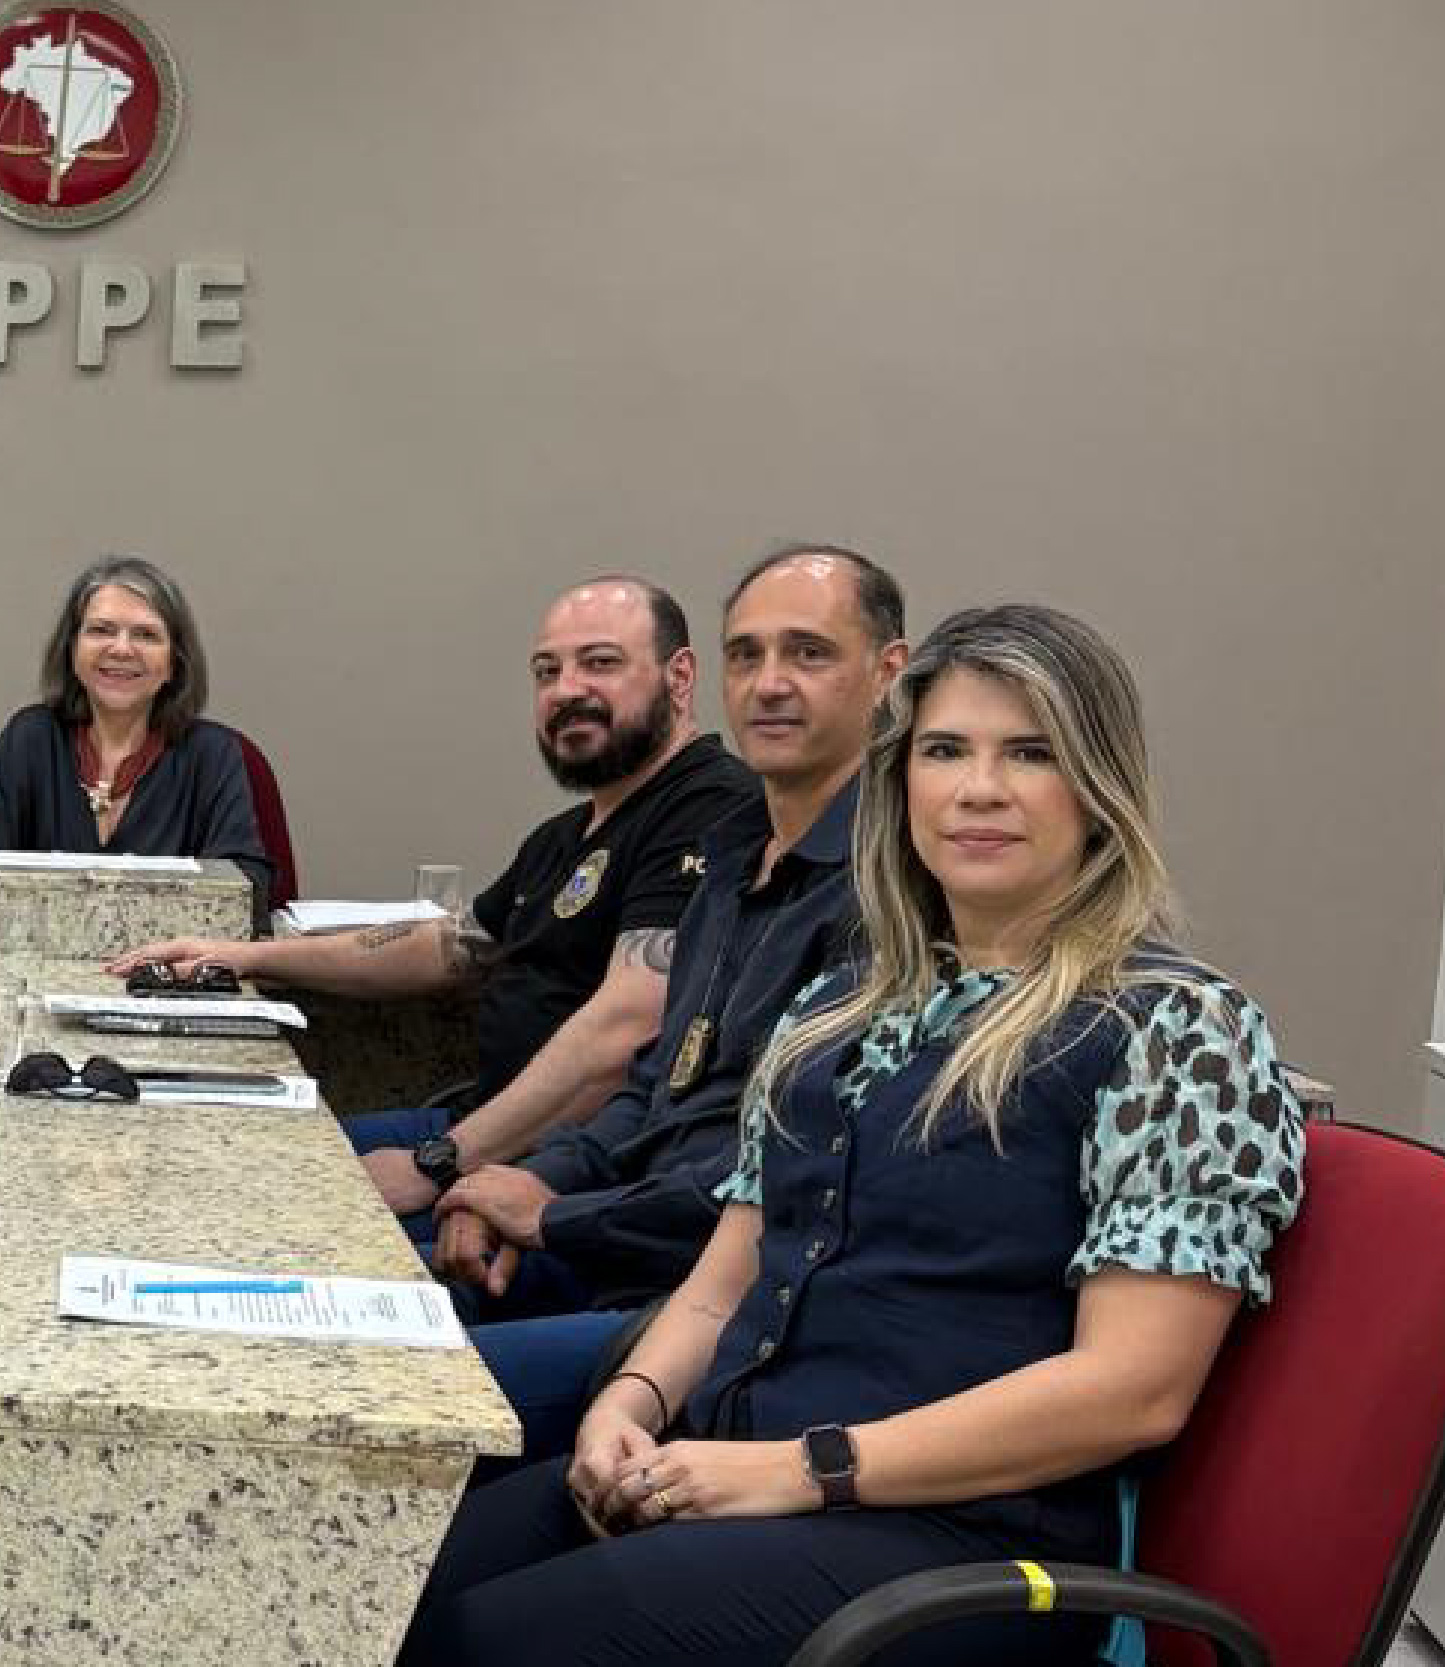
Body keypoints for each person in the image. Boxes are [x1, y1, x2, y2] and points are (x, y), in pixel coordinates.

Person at [397, 603, 1306, 1667]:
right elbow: (720, 1280)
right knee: (376, 1582)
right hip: (727, 1462)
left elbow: (1131, 1389)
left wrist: (800, 1467)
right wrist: (627, 1402)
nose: (976, 787)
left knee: (480, 1642)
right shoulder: (841, 1001)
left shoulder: (1177, 1025)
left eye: (1029, 752)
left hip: (950, 1542)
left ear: (1096, 788)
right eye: (943, 750)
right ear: (902, 778)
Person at [430, 547, 906, 1458]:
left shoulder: (892, 895)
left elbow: (781, 1180)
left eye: (807, 654)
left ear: (885, 671)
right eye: (747, 655)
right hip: (612, 1243)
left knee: (386, 1389)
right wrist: (521, 1184)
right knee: (347, 1310)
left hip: (717, 1309)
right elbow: (653, 1089)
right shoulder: (731, 858)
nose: (768, 685)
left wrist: (546, 1211)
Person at [115, 577, 757, 1213]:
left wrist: (440, 1163)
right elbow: (447, 947)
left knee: (269, 1216)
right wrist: (247, 956)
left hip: (557, 1172)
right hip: (476, 1123)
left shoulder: (706, 809)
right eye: (546, 671)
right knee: (213, 1161)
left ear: (679, 677)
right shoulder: (567, 834)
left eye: (601, 664)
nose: (567, 691)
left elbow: (624, 1030)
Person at [0, 554, 272, 909]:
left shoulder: (212, 753)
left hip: (166, 958)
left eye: (146, 635)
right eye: (101, 630)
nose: (121, 649)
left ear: (174, 664)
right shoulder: (30, 738)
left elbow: (247, 885)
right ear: (72, 651)